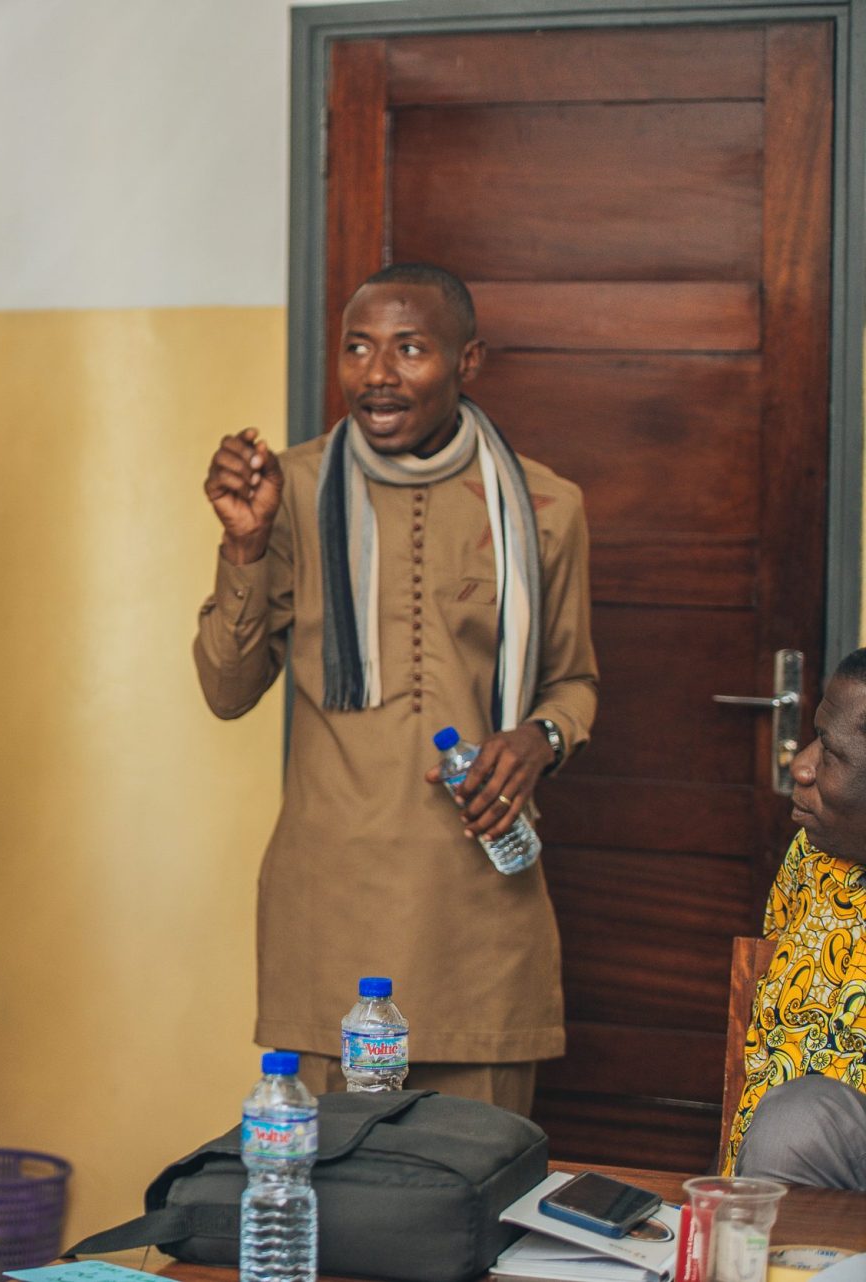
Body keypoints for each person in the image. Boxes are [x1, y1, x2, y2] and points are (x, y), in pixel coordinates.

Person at [193, 263, 597, 1113]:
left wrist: (538, 740)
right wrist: (243, 546)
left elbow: (573, 683)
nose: (377, 374)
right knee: (330, 1201)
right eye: (358, 349)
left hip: (481, 911)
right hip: (327, 912)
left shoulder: (546, 505)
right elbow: (228, 690)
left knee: (471, 1198)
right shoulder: (288, 491)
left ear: (468, 361)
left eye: (409, 349)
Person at [724, 649, 866, 1189]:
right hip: (771, 1201)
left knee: (799, 1123)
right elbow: (769, 1045)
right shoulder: (811, 860)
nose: (799, 764)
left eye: (829, 752)